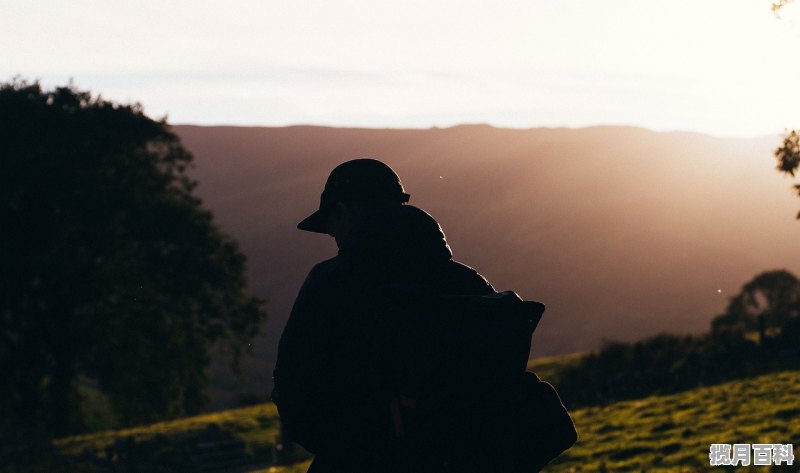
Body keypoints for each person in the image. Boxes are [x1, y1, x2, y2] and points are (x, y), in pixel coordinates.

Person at [272, 158, 497, 472]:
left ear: (345, 212)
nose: (332, 235)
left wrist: (345, 448)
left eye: (332, 224)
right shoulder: (467, 282)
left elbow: (293, 387)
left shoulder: (332, 283)